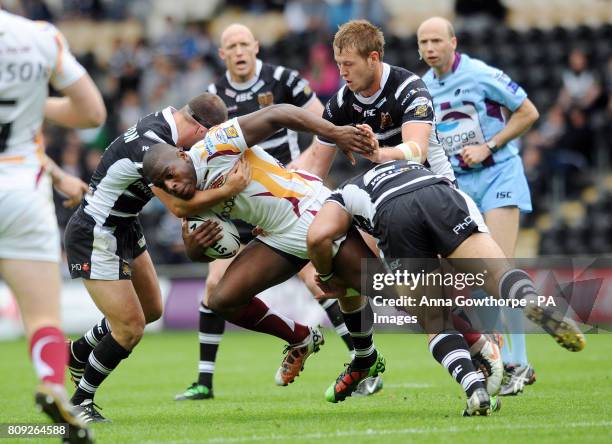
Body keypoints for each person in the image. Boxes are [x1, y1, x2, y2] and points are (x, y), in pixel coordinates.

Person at [295, 19, 503, 394]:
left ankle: (489, 346)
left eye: (348, 65)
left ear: (373, 58)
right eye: (338, 64)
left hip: (436, 193)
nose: (340, 73)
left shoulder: (409, 87)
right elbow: (315, 167)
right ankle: (476, 349)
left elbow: (417, 151)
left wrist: (378, 152)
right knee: (409, 298)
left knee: (444, 291)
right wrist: (289, 200)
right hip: (388, 206)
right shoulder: (340, 103)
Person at [174, 23, 379, 401]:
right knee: (217, 292)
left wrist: (329, 141)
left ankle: (373, 357)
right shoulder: (208, 112)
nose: (238, 50)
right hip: (249, 209)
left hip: (291, 191)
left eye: (243, 43)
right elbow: (190, 233)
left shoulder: (278, 81)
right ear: (222, 54)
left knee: (351, 282)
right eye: (230, 45)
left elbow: (316, 117)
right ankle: (211, 376)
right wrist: (195, 240)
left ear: (255, 46)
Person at [306, 158, 585, 415]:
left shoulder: (344, 191)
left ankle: (475, 389)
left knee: (434, 320)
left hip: (394, 212)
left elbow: (318, 237)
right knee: (499, 273)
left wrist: (328, 276)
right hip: (442, 193)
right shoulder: (412, 165)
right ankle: (529, 299)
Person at [142, 102, 385, 396]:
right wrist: (193, 247)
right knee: (221, 299)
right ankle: (301, 338)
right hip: (278, 236)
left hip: (310, 210)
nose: (173, 185)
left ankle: (433, 329)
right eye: (164, 184)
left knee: (385, 289)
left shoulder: (215, 145)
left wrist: (335, 133)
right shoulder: (192, 199)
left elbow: (277, 113)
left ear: (182, 154)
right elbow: (202, 253)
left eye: (171, 173)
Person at [63, 93, 248, 423]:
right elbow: (178, 206)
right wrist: (228, 191)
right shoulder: (153, 147)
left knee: (151, 310)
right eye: (210, 137)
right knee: (130, 328)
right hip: (97, 233)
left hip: (125, 226)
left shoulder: (167, 130)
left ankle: (77, 352)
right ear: (201, 128)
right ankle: (79, 401)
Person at [417, 17, 540, 395]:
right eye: (424, 42)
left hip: (499, 174)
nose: (430, 47)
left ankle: (519, 363)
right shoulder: (421, 87)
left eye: (437, 40)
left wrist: (490, 145)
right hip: (460, 185)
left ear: (454, 42)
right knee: (474, 280)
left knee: (500, 270)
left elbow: (528, 112)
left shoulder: (480, 74)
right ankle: (497, 357)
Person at [0, 8, 106, 443]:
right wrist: (32, 104)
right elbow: (92, 114)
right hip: (23, 188)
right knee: (42, 314)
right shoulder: (39, 36)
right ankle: (51, 383)